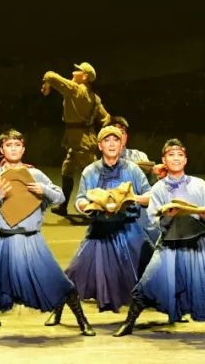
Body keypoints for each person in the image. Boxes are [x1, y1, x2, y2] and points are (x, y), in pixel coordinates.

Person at [0, 129, 95, 338]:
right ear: (2, 150)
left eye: (17, 145)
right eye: (9, 145)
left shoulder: (35, 175)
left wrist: (43, 190)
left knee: (58, 280)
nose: (13, 149)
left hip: (32, 240)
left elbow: (60, 197)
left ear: (23, 149)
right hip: (4, 241)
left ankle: (83, 322)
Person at [114, 138, 205, 337]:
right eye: (171, 155)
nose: (176, 158)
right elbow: (154, 220)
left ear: (186, 159)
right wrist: (167, 217)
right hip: (170, 245)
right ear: (164, 160)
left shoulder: (199, 184)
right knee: (149, 281)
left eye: (180, 155)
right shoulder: (158, 188)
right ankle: (129, 323)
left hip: (200, 242)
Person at [48, 125, 152, 325]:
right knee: (75, 270)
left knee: (152, 269)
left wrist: (133, 198)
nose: (112, 144)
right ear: (100, 145)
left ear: (121, 145)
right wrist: (90, 205)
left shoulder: (133, 169)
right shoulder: (90, 171)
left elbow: (149, 195)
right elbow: (80, 200)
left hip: (128, 229)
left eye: (116, 140)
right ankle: (58, 308)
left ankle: (170, 311)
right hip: (100, 230)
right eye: (107, 140)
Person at [40, 62, 110, 217]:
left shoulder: (76, 90)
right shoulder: (95, 98)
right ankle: (64, 205)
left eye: (78, 70)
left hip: (82, 141)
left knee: (93, 173)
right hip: (78, 139)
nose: (73, 71)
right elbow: (106, 117)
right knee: (67, 169)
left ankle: (102, 207)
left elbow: (50, 75)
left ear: (84, 76)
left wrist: (46, 85)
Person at [112, 115, 161, 243]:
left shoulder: (140, 156)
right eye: (114, 133)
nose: (119, 136)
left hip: (141, 213)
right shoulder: (100, 165)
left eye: (122, 132)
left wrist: (156, 174)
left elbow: (151, 187)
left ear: (126, 136)